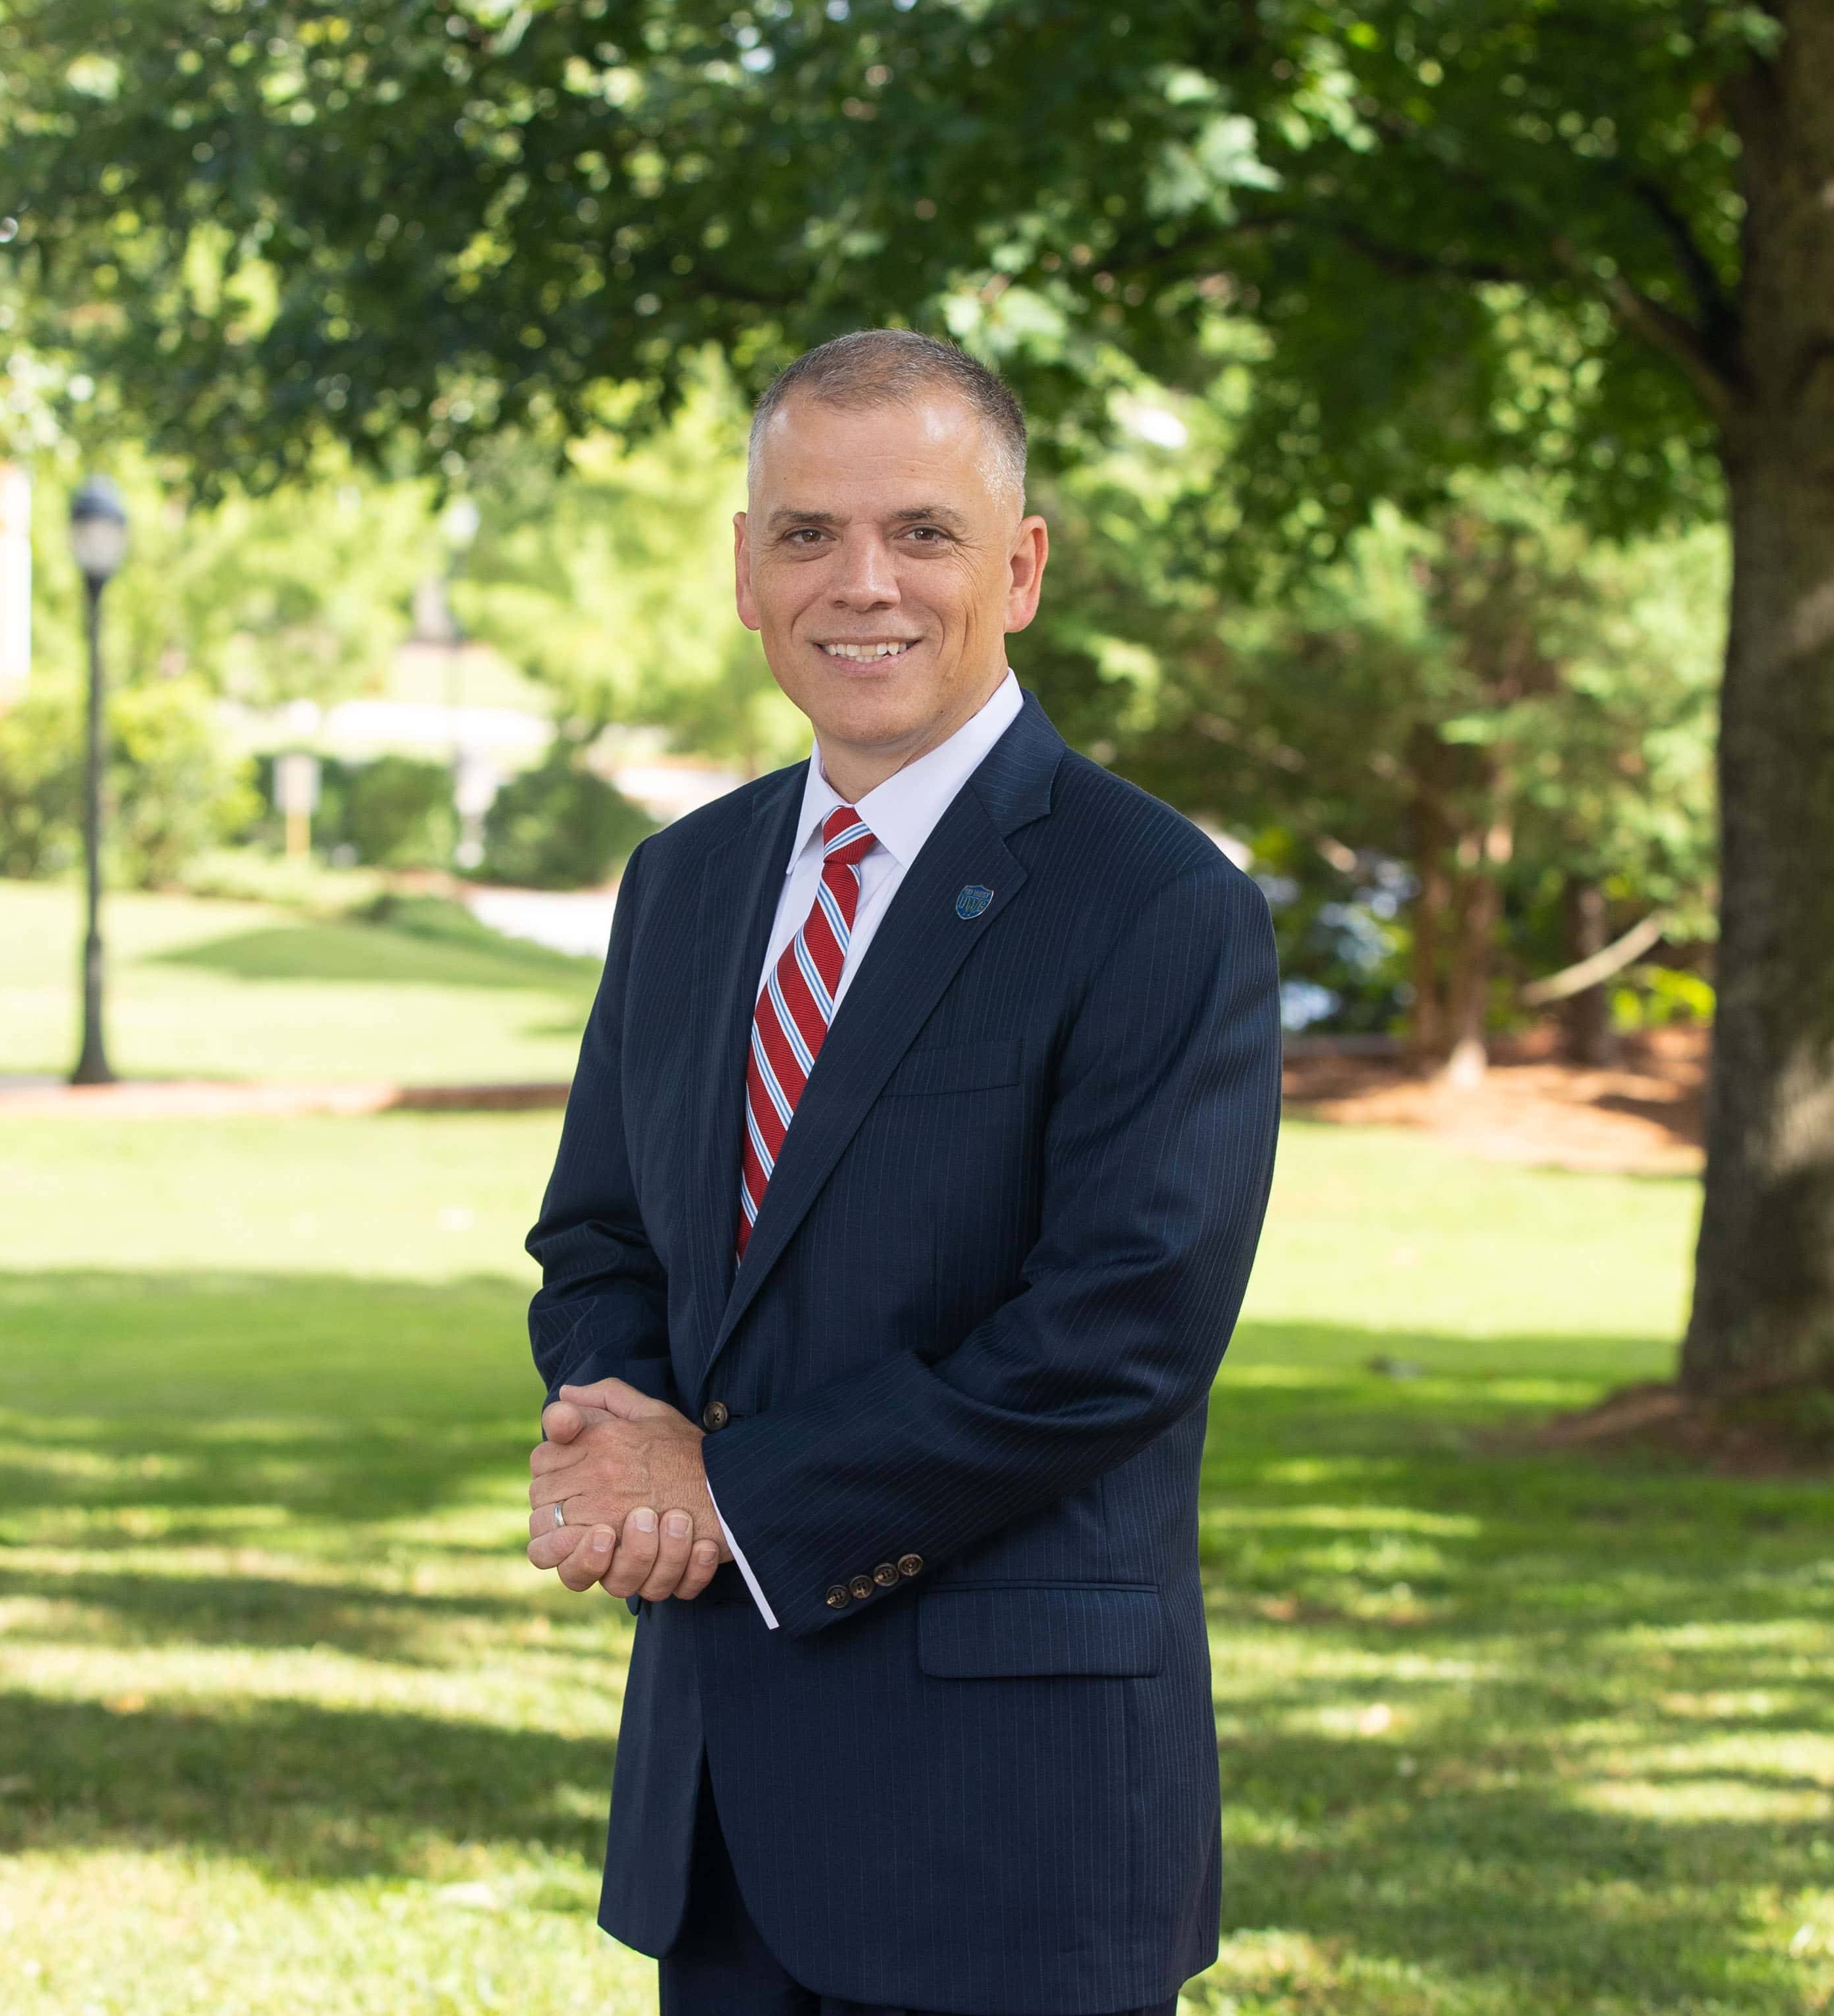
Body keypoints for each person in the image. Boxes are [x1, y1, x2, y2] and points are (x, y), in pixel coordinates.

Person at [522, 329, 1284, 2016]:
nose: (861, 582)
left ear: (1017, 570)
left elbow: (1117, 1335)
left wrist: (734, 1498)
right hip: (722, 1814)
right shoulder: (686, 884)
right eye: (807, 533)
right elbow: (598, 1236)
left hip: (1015, 1820)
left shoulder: (1156, 903)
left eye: (922, 533)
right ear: (744, 568)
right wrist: (618, 1419)